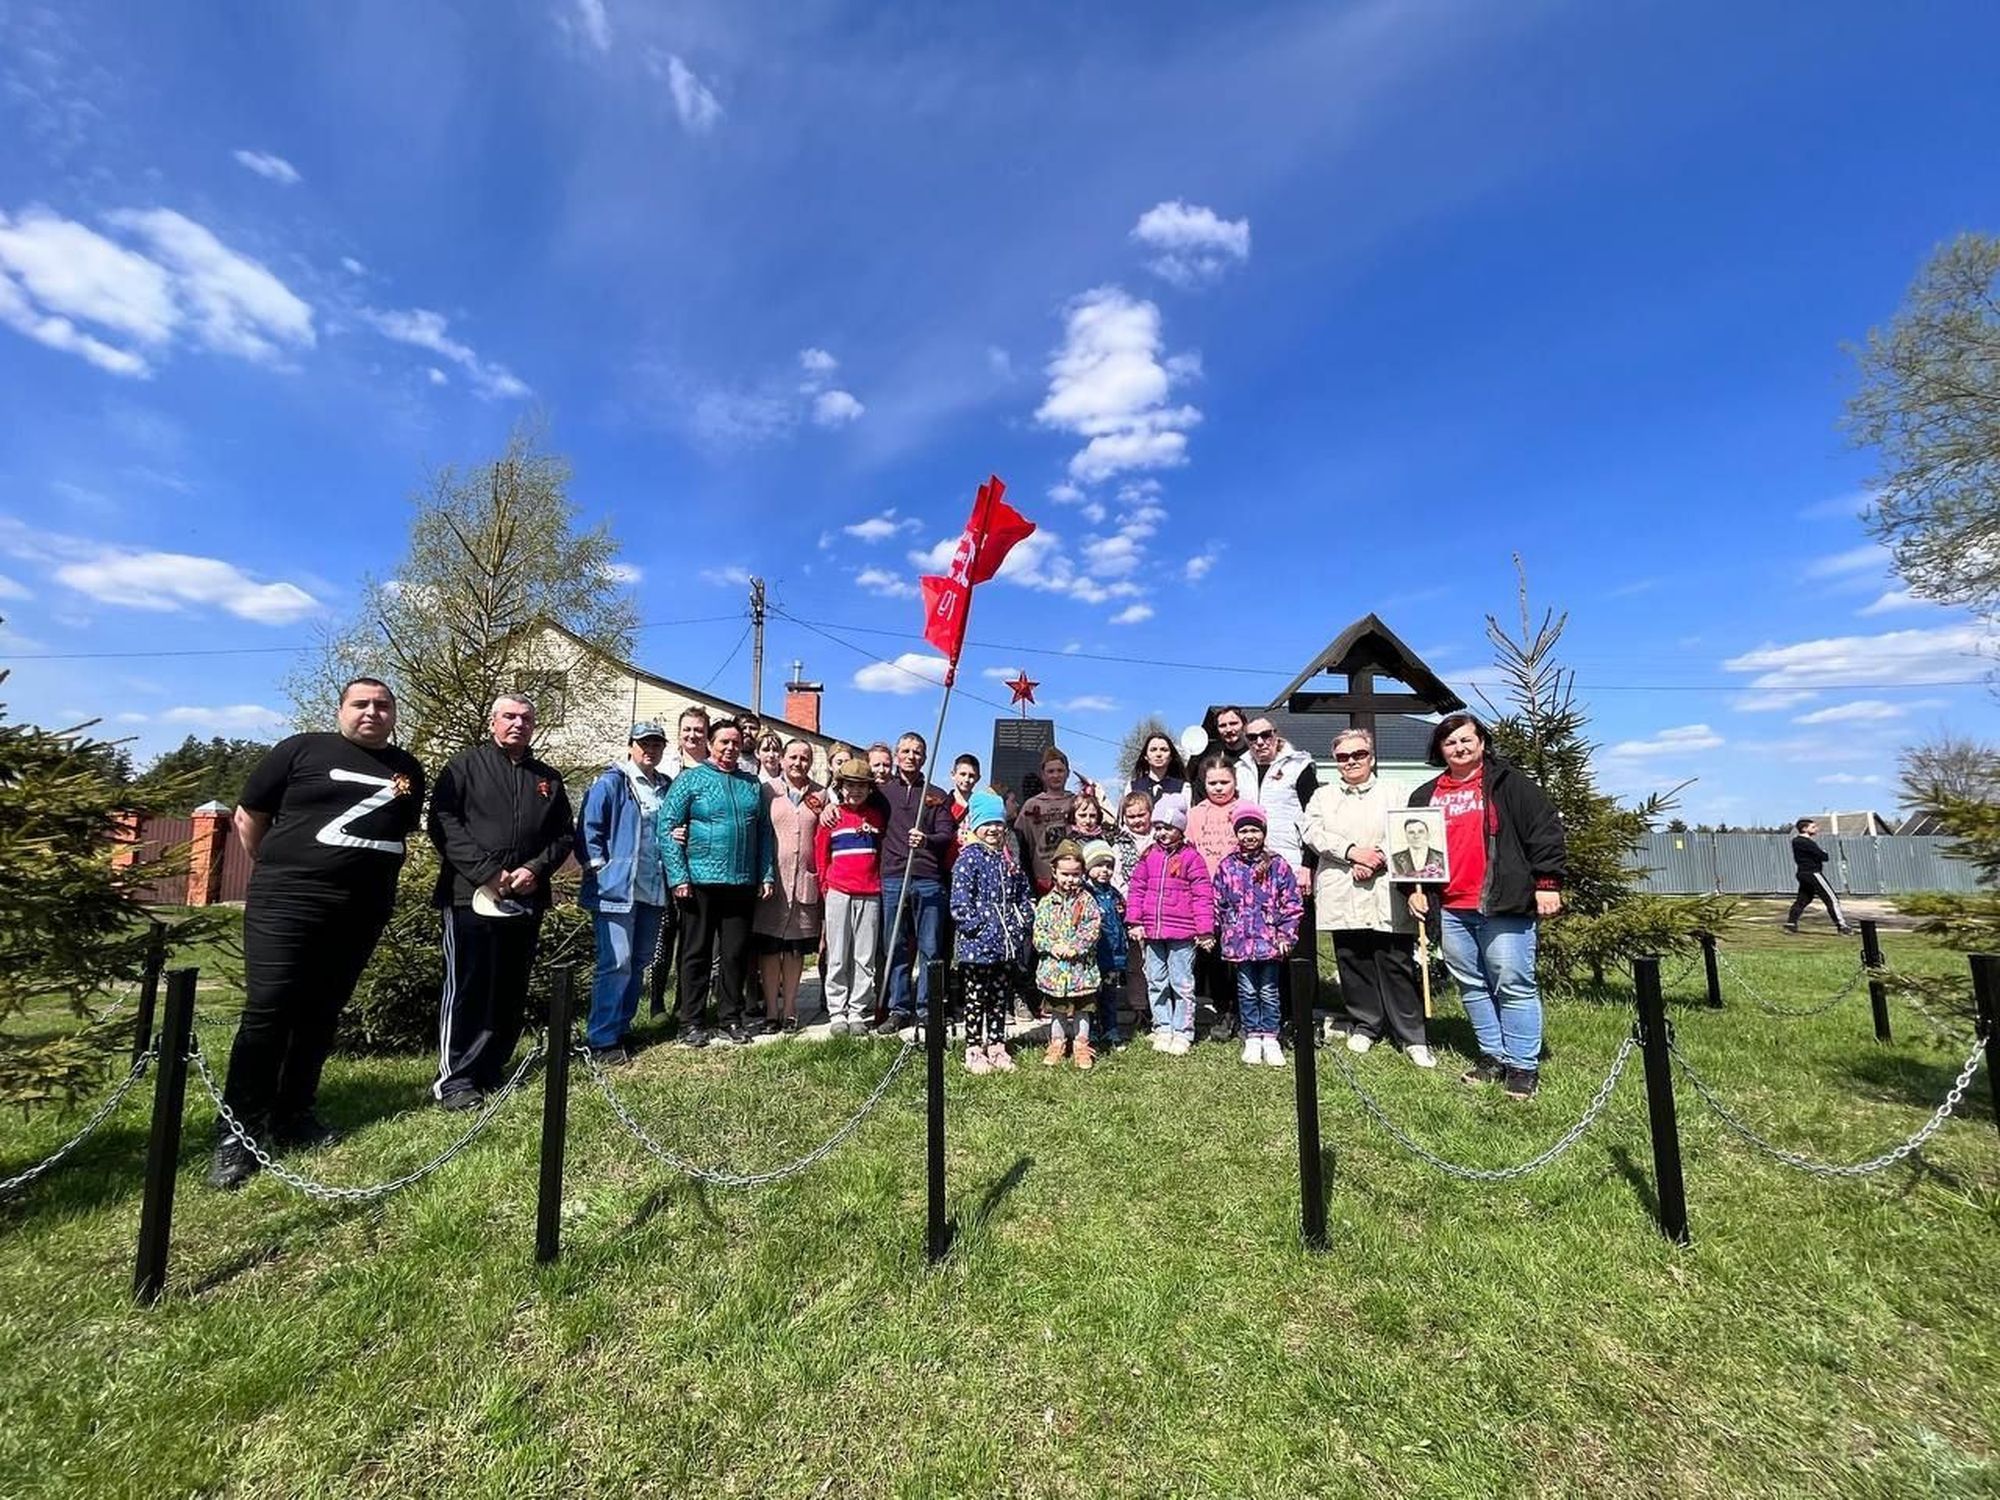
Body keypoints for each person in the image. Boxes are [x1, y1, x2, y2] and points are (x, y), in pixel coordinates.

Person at [205, 677, 428, 1188]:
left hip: (362, 908)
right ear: (341, 710)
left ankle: (294, 1114)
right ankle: (238, 1132)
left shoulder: (407, 768)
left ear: (394, 713)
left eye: (383, 705)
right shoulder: (301, 749)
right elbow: (249, 816)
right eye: (361, 704)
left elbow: (397, 830)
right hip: (287, 902)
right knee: (269, 1009)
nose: (372, 712)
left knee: (322, 1012)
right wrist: (278, 867)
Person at [1407, 712, 1565, 1101]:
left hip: (1503, 902)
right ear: (1440, 749)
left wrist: (1547, 882)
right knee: (1472, 984)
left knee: (1512, 983)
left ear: (1481, 742)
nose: (1459, 748)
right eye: (1450, 742)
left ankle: (1523, 1066)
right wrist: (1413, 890)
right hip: (1452, 906)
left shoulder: (1510, 785)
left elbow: (1544, 829)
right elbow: (1410, 853)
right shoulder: (1425, 796)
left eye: (1466, 740)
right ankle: (1493, 1056)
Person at [429, 694, 574, 1109]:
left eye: (526, 718)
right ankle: (455, 1080)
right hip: (470, 896)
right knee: (469, 986)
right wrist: (488, 873)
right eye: (509, 716)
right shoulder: (464, 767)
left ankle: (491, 1068)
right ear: (494, 722)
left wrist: (535, 869)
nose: (518, 724)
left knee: (510, 987)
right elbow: (443, 823)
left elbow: (564, 833)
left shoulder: (547, 778)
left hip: (525, 897)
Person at [1301, 729, 1433, 1067]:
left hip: (1385, 885)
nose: (1351, 761)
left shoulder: (1396, 791)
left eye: (1358, 754)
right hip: (1343, 882)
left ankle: (1411, 1034)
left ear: (1371, 757)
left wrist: (1377, 857)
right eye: (1343, 757)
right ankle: (1365, 1023)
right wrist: (1351, 853)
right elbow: (1313, 832)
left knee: (1395, 960)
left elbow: (1408, 827)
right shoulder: (1323, 796)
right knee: (1352, 959)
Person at [659, 716, 775, 1048]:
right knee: (695, 953)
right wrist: (678, 876)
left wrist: (765, 873)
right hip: (699, 882)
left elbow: (764, 833)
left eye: (735, 742)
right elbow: (667, 827)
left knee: (734, 954)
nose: (730, 747)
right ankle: (691, 1021)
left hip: (741, 882)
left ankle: (730, 1019)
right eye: (724, 741)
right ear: (711, 744)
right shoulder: (690, 780)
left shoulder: (751, 784)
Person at [576, 721, 671, 1067]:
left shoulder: (666, 786)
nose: (650, 750)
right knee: (616, 962)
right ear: (631, 745)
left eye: (657, 744)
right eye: (644, 743)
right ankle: (602, 1039)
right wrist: (601, 869)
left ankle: (622, 1028)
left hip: (653, 889)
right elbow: (589, 828)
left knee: (639, 961)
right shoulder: (612, 782)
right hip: (616, 889)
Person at [1213, 804, 1304, 1067]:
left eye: (1254, 830)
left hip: (1270, 942)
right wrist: (1214, 931)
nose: (1249, 836)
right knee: (1247, 990)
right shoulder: (1227, 865)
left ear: (1263, 832)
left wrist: (1286, 935)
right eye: (1243, 831)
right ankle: (1252, 1035)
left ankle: (1271, 1036)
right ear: (1236, 834)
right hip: (1239, 942)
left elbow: (1292, 904)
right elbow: (1217, 902)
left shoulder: (1278, 865)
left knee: (1268, 991)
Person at [949, 788, 1033, 1074]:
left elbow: (1023, 894)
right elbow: (960, 902)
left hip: (1005, 945)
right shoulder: (968, 859)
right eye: (987, 823)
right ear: (976, 826)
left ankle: (997, 1044)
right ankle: (974, 1048)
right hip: (978, 945)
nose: (994, 829)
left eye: (998, 822)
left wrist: (1021, 921)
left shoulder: (1008, 859)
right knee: (975, 998)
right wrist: (978, 926)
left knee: (998, 997)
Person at [878, 731, 956, 1034]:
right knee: (895, 946)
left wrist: (926, 839)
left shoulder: (936, 794)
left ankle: (927, 1009)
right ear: (897, 755)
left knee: (930, 947)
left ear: (924, 758)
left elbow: (946, 834)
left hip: (928, 878)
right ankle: (899, 1008)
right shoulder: (882, 792)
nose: (911, 756)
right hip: (894, 876)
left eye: (917, 752)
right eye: (906, 751)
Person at [1125, 794, 1214, 1055]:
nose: (1162, 833)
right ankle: (1162, 1027)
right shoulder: (1148, 856)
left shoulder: (1191, 857)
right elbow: (1136, 889)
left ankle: (1183, 1031)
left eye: (1168, 827)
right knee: (1156, 981)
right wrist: (1134, 921)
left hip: (1183, 934)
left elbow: (1202, 895)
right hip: (1153, 932)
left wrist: (1204, 929)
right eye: (1158, 827)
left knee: (1182, 982)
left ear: (1180, 828)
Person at [754, 739, 824, 1034]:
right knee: (770, 948)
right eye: (793, 757)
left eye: (804, 758)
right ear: (782, 759)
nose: (798, 763)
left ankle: (791, 1008)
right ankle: (772, 1010)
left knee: (795, 950)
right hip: (772, 883)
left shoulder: (820, 795)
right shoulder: (767, 791)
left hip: (804, 882)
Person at [814, 757, 886, 1035]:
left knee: (864, 956)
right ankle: (837, 1012)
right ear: (840, 787)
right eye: (850, 786)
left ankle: (857, 1010)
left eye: (861, 786)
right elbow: (821, 855)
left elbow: (881, 852)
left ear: (869, 789)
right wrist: (825, 886)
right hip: (838, 891)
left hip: (870, 893)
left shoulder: (876, 817)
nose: (855, 791)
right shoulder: (831, 817)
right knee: (838, 954)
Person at [1187, 757, 1243, 1038]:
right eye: (1213, 783)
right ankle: (1223, 1010)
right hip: (1207, 895)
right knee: (1215, 956)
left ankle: (1246, 1011)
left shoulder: (1244, 809)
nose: (1219, 788)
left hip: (1242, 896)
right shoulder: (1195, 814)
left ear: (1235, 782)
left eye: (1224, 782)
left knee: (1242, 956)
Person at [1034, 840, 1103, 1068]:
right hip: (1055, 970)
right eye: (1065, 874)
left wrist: (1076, 947)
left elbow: (1092, 929)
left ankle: (1082, 1044)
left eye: (1075, 874)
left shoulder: (1088, 902)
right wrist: (1052, 946)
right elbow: (1039, 932)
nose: (1070, 879)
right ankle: (1057, 1042)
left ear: (1082, 873)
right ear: (1054, 872)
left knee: (1083, 1009)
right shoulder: (1047, 903)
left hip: (1081, 970)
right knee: (1058, 1010)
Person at [1239, 718, 1319, 883]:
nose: (1259, 742)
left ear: (1276, 735)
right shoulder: (1239, 771)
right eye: (1252, 737)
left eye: (1265, 735)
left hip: (1292, 859)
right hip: (1250, 862)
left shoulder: (1299, 767)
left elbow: (1314, 817)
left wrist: (1308, 864)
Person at [1082, 840, 1129, 1048]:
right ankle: (1091, 1031)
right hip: (1093, 956)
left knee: (1110, 994)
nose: (1105, 870)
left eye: (1109, 866)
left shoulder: (1114, 894)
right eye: (1099, 865)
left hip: (1113, 955)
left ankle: (1110, 1029)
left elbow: (1123, 918)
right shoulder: (1085, 894)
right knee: (1091, 995)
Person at [1016, 745, 1079, 892]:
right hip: (1042, 878)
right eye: (1050, 771)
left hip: (1073, 874)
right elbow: (1021, 843)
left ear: (1067, 773)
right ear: (1043, 775)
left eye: (1060, 771)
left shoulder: (1077, 802)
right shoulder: (1031, 805)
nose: (1055, 775)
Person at [1784, 818, 1851, 934]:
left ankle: (1791, 924)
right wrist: (1823, 852)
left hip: (1802, 873)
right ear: (1804, 829)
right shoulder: (1805, 842)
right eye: (1813, 827)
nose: (1816, 829)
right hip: (1813, 873)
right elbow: (1824, 856)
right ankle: (1842, 927)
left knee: (1803, 899)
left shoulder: (1797, 841)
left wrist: (1821, 853)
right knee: (1832, 899)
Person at [1126, 731, 1187, 805]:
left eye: (1164, 750)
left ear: (1171, 757)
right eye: (1153, 750)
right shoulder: (1132, 787)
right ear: (1146, 756)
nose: (1158, 754)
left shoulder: (1183, 787)